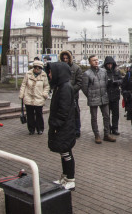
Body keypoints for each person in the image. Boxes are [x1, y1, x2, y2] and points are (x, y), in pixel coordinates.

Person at [45, 62, 77, 190]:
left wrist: (56, 124)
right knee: (63, 153)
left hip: (64, 127)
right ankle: (65, 177)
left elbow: (63, 110)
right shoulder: (60, 86)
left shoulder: (65, 87)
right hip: (62, 126)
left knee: (66, 153)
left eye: (51, 72)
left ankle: (70, 179)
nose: (49, 74)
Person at [81, 55, 116, 144]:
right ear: (90, 62)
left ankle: (106, 134)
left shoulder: (103, 71)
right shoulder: (87, 73)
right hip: (93, 98)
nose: (96, 62)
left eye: (97, 60)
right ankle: (96, 135)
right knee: (94, 118)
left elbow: (106, 83)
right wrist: (90, 95)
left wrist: (104, 93)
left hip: (104, 97)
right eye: (93, 60)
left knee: (107, 116)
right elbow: (84, 88)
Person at [19, 60, 50, 135]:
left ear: (41, 68)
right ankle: (31, 129)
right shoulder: (28, 74)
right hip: (28, 96)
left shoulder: (44, 75)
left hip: (39, 97)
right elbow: (24, 84)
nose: (36, 69)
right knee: (30, 114)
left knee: (39, 114)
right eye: (35, 68)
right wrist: (22, 94)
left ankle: (40, 128)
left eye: (38, 68)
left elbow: (46, 86)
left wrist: (44, 94)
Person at [60, 50, 83, 138]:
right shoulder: (60, 67)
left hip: (73, 95)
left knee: (75, 113)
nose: (65, 60)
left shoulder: (76, 68)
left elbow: (79, 83)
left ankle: (77, 130)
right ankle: (66, 130)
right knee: (64, 113)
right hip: (63, 95)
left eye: (67, 58)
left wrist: (71, 90)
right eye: (63, 58)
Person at [103, 56, 123, 135]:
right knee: (106, 114)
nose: (110, 66)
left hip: (115, 95)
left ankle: (115, 128)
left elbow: (121, 80)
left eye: (111, 64)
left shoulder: (117, 72)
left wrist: (117, 82)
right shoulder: (103, 72)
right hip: (106, 95)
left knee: (116, 114)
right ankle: (108, 127)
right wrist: (107, 83)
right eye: (108, 64)